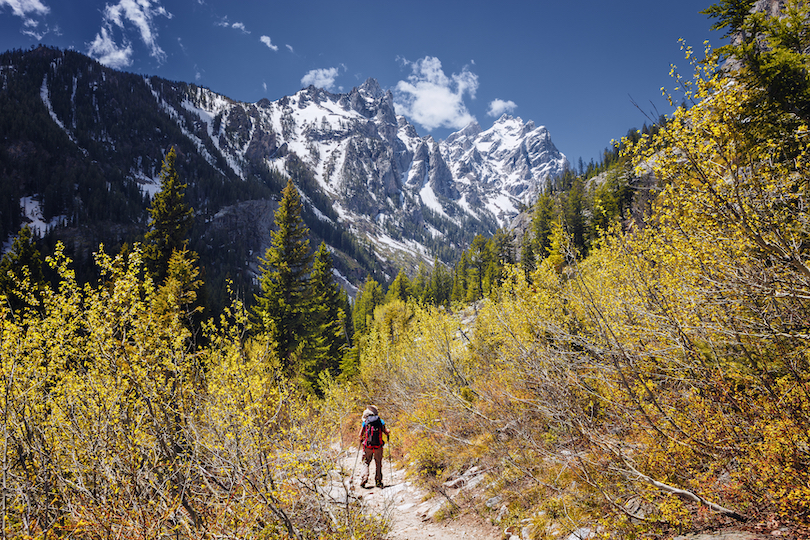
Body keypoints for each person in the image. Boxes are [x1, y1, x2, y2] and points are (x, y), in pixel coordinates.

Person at [358, 405, 390, 488]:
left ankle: (364, 478)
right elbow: (385, 432)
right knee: (378, 463)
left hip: (368, 446)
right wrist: (388, 432)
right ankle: (378, 481)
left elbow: (360, 435)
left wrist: (361, 440)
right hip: (378, 445)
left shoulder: (365, 422)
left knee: (366, 462)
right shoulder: (380, 421)